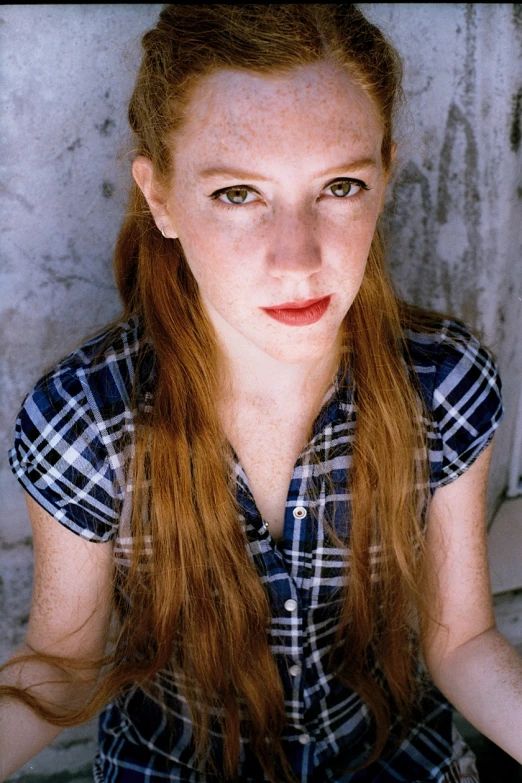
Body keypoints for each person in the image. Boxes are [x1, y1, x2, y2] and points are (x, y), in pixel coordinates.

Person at [0, 4, 520, 782]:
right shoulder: (88, 420)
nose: (298, 256)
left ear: (385, 178)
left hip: (392, 759)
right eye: (238, 193)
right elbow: (62, 660)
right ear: (161, 198)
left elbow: (460, 640)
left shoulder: (440, 385)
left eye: (340, 185)